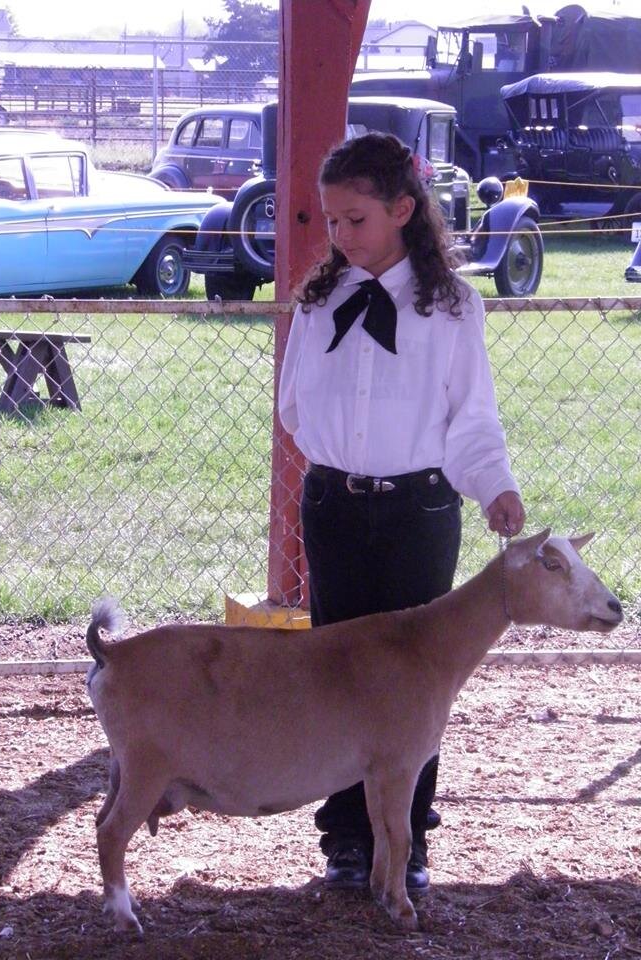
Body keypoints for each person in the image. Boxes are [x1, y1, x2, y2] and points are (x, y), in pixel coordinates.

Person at [278, 132, 525, 895]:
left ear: (403, 210)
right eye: (331, 220)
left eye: (357, 219)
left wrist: (496, 487)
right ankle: (347, 840)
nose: (340, 235)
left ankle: (408, 842)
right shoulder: (319, 300)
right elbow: (292, 405)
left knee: (418, 683)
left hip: (420, 511)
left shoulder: (453, 306)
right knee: (337, 676)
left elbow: (472, 419)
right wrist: (334, 464)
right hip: (335, 507)